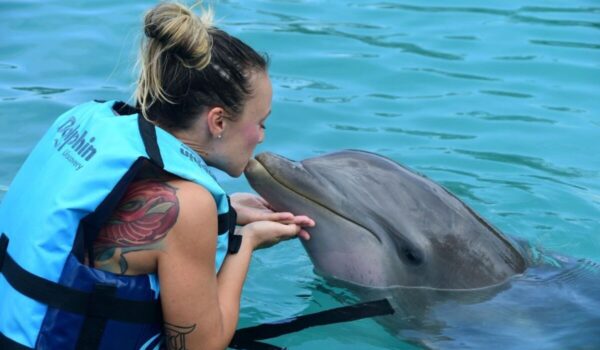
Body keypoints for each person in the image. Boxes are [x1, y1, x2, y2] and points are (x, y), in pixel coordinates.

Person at [0, 2, 314, 350]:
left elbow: (93, 218)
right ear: (218, 122)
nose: (262, 137)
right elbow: (201, 346)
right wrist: (246, 241)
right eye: (261, 122)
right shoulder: (188, 206)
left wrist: (225, 211)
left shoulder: (80, 125)